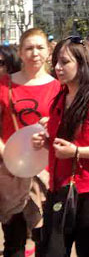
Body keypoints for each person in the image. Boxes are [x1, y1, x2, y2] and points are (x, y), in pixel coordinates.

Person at [32, 36, 89, 256]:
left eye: (65, 62)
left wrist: (76, 152)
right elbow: (62, 143)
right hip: (60, 188)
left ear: (82, 64)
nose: (57, 67)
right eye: (56, 61)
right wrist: (47, 143)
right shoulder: (60, 98)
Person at [0, 29, 61, 257]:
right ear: (20, 52)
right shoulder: (4, 85)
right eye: (29, 48)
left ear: (48, 51)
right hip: (11, 173)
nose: (34, 53)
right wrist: (7, 154)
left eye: (39, 47)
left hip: (48, 173)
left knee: (47, 240)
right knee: (13, 241)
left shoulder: (59, 87)